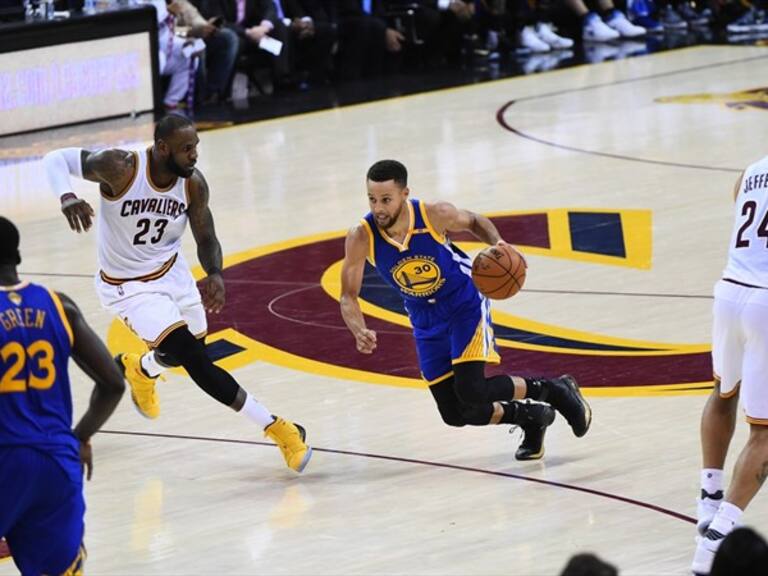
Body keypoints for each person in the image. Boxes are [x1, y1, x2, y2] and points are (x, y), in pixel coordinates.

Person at [42, 114, 312, 473]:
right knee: (194, 358)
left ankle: (141, 369)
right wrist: (67, 196)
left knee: (186, 352)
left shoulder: (193, 184)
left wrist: (215, 272)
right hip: (129, 287)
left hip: (173, 274)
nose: (194, 155)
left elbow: (206, 236)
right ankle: (278, 428)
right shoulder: (120, 167)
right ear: (163, 148)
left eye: (196, 147)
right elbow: (54, 159)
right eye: (187, 149)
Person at [339, 160, 592, 459]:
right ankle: (531, 418)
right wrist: (358, 329)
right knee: (456, 413)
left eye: (385, 199)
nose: (378, 207)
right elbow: (348, 295)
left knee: (471, 390)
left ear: (404, 194)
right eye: (372, 199)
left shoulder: (434, 214)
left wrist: (499, 243)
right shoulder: (362, 236)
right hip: (424, 318)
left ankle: (554, 390)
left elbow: (474, 221)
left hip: (463, 303)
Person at [0, 216, 125, 575]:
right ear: (18, 256)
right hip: (58, 459)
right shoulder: (59, 305)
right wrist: (82, 436)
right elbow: (113, 383)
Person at [692, 158, 768, 574]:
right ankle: (715, 542)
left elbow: (741, 199)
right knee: (765, 433)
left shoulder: (752, 169)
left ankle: (708, 502)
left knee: (723, 393)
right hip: (765, 301)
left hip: (729, 293)